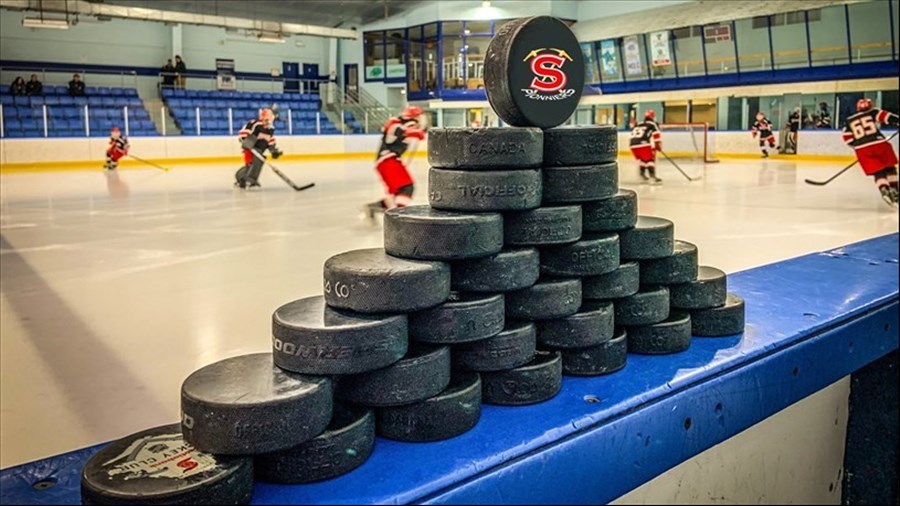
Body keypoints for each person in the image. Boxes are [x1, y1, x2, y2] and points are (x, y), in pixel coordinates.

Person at [365, 106, 427, 220]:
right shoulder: (397, 123)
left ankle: (373, 207)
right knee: (407, 187)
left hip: (386, 161)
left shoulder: (400, 123)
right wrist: (417, 132)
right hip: (388, 160)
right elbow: (401, 130)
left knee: (397, 193)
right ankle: (400, 216)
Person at [842, 98, 899, 206]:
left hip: (861, 149)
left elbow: (847, 138)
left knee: (878, 171)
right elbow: (889, 118)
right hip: (879, 144)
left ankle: (883, 189)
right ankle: (895, 190)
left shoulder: (849, 120)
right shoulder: (874, 112)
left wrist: (859, 146)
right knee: (890, 167)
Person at [234, 107, 283, 189]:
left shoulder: (271, 128)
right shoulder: (255, 124)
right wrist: (247, 142)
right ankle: (250, 180)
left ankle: (240, 178)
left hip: (259, 150)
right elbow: (243, 133)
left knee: (251, 165)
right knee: (257, 161)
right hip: (250, 148)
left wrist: (273, 150)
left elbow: (270, 139)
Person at [629, 109, 663, 184]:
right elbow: (656, 135)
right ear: (653, 117)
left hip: (632, 144)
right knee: (650, 159)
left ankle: (642, 174)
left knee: (643, 159)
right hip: (643, 144)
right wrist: (658, 145)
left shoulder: (639, 123)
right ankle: (652, 177)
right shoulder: (653, 124)